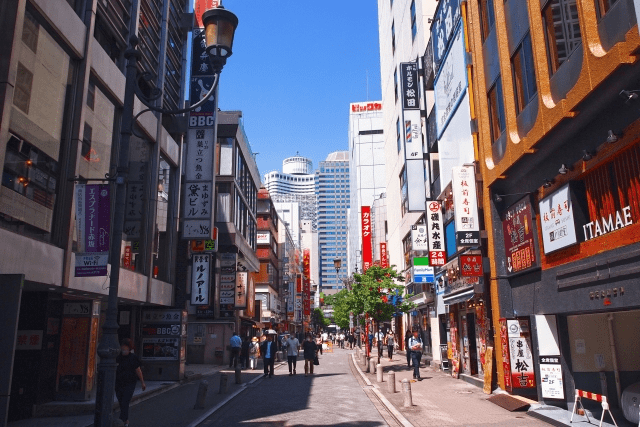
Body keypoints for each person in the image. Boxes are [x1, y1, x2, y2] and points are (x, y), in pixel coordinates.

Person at [115, 339, 145, 427]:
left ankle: (122, 420)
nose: (123, 350)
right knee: (121, 400)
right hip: (119, 382)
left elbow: (138, 370)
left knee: (125, 400)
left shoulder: (133, 357)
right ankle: (126, 420)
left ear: (129, 348)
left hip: (130, 382)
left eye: (125, 349)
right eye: (122, 348)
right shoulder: (118, 357)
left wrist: (142, 382)